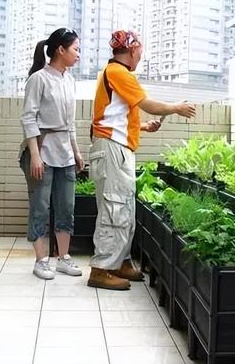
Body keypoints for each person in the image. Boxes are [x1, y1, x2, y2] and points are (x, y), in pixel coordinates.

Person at [87, 30, 196, 290]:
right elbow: (147, 103)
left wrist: (144, 127)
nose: (140, 57)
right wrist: (176, 108)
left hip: (117, 148)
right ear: (133, 50)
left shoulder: (118, 75)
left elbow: (119, 115)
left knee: (123, 208)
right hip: (113, 149)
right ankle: (101, 269)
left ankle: (120, 262)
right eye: (140, 53)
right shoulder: (118, 73)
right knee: (114, 208)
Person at [19, 28, 84, 280]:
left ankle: (63, 258)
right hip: (43, 151)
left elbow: (71, 122)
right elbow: (28, 118)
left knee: (66, 206)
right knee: (40, 207)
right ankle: (41, 260)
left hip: (66, 153)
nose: (78, 54)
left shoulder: (70, 80)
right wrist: (35, 155)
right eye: (75, 49)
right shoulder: (39, 79)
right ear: (61, 50)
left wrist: (77, 151)